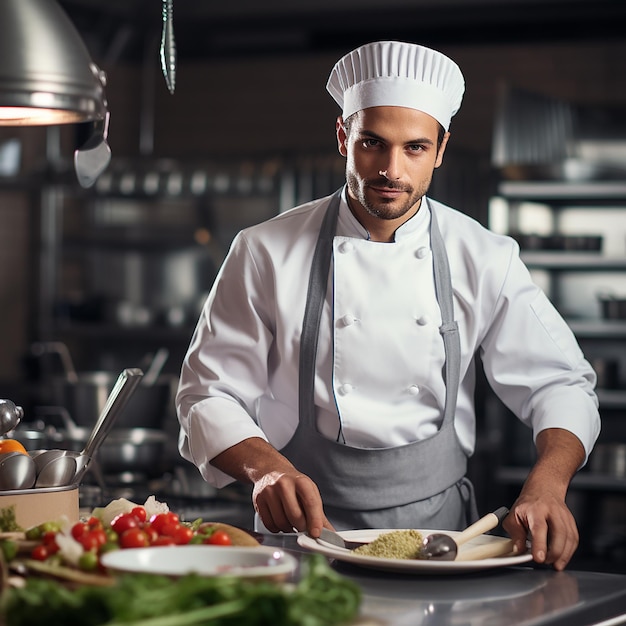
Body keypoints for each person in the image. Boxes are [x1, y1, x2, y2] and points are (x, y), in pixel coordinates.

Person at [176, 41, 600, 570]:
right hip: (301, 534)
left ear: (441, 149)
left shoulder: (485, 256)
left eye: (415, 148)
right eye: (372, 143)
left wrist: (548, 485)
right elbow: (206, 394)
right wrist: (265, 469)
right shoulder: (264, 250)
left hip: (443, 540)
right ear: (342, 137)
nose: (391, 169)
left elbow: (559, 382)